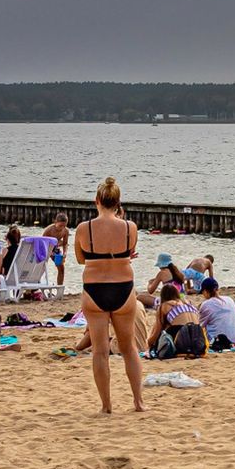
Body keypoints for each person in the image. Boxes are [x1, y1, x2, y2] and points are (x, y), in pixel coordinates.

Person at [74, 176, 146, 413]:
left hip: (94, 289)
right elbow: (129, 251)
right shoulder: (129, 227)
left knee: (100, 351)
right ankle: (138, 402)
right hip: (123, 288)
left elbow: (81, 259)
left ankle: (106, 406)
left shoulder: (84, 229)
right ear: (118, 203)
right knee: (129, 349)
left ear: (97, 201)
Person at [149, 285, 208, 360]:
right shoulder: (188, 304)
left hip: (181, 341)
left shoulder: (165, 305)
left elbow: (157, 330)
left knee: (165, 330)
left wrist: (149, 343)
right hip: (199, 342)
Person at [197, 277, 235, 348]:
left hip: (217, 341)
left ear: (205, 291)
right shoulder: (229, 299)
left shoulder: (206, 304)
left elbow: (200, 326)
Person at [42, 213, 72, 285]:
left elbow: (65, 243)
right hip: (45, 248)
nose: (62, 228)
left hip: (55, 248)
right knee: (41, 268)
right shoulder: (49, 230)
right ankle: (34, 287)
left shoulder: (66, 231)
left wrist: (65, 253)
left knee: (61, 268)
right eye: (60, 225)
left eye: (64, 225)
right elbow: (42, 242)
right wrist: (49, 252)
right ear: (55, 222)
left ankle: (59, 287)